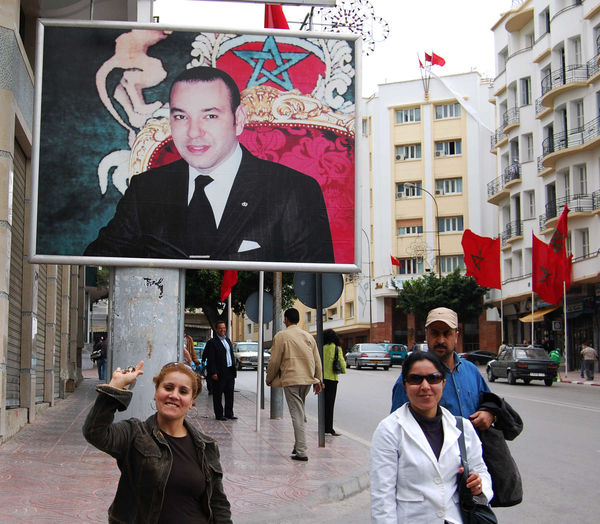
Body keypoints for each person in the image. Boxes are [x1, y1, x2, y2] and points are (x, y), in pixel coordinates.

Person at [84, 66, 334, 263]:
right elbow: (96, 263)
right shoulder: (146, 190)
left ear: (238, 120)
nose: (194, 132)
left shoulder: (293, 191)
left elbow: (312, 288)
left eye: (210, 116)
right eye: (181, 117)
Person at [82, 361, 232, 523]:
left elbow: (218, 503)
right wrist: (115, 388)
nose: (174, 395)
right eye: (168, 388)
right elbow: (94, 432)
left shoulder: (205, 445)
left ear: (191, 401)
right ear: (156, 392)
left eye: (183, 391)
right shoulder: (134, 434)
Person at [371, 351, 492, 523]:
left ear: (443, 383)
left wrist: (479, 486)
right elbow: (382, 498)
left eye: (433, 378)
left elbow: (480, 470)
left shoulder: (462, 427)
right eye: (415, 379)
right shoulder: (389, 430)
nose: (425, 386)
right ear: (405, 385)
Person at [391, 307, 494, 431]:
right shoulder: (412, 379)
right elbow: (396, 426)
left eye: (447, 333)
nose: (440, 340)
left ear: (456, 336)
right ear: (427, 334)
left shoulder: (471, 371)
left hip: (472, 448)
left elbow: (489, 403)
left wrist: (488, 414)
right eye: (435, 333)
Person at [266, 308, 323, 461]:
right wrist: (319, 380)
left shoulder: (281, 336)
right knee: (300, 411)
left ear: (286, 319)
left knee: (296, 414)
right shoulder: (308, 336)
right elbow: (317, 360)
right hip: (308, 380)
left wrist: (269, 378)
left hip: (292, 379)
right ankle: (298, 445)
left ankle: (302, 451)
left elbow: (275, 360)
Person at [204, 320, 237, 420]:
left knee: (229, 393)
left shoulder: (228, 341)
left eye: (224, 328)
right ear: (216, 329)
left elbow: (230, 355)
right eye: (220, 328)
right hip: (219, 372)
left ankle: (229, 413)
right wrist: (213, 372)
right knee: (218, 394)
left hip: (229, 371)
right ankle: (219, 414)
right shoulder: (212, 342)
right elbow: (211, 359)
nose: (223, 330)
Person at [322, 328, 345, 436]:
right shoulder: (337, 348)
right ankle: (329, 428)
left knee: (322, 404)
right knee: (330, 404)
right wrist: (343, 370)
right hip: (332, 379)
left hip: (321, 379)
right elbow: (342, 363)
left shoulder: (320, 348)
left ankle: (322, 426)